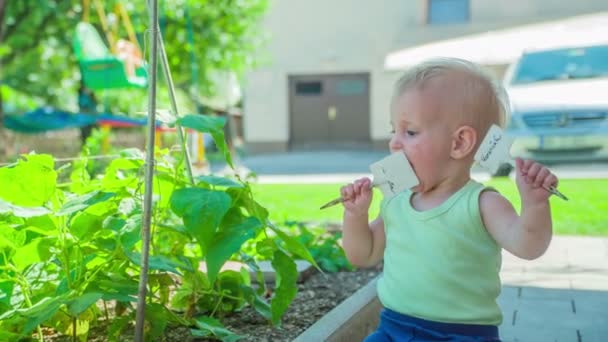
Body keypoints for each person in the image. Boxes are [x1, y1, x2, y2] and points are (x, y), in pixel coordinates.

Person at [340, 58, 558, 341]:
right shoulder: (396, 201)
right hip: (394, 329)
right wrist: (355, 216)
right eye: (395, 130)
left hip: (462, 335)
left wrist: (535, 205)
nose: (394, 143)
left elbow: (528, 246)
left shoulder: (481, 204)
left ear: (459, 143)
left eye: (411, 132)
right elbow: (362, 254)